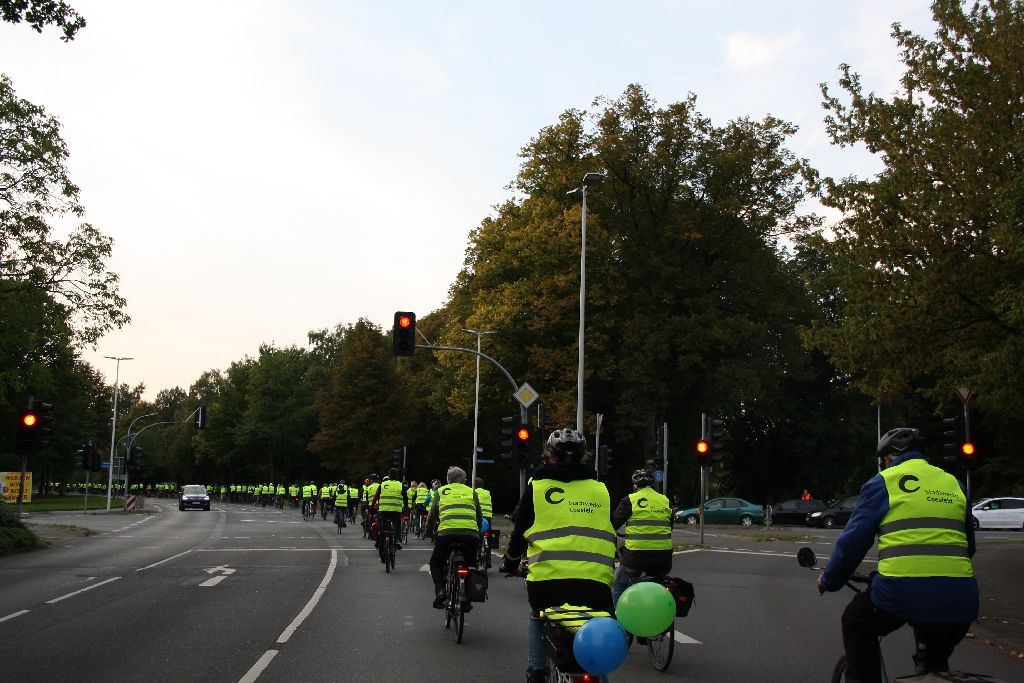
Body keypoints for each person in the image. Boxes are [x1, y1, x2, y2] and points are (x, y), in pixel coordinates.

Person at [818, 428, 978, 682]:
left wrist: (829, 580)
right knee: (935, 666)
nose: (883, 465)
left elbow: (852, 544)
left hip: (900, 592)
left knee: (856, 621)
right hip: (962, 598)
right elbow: (968, 547)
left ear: (891, 457)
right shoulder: (954, 484)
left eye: (883, 460)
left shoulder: (883, 482)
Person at [501, 428, 616, 683]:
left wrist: (510, 562)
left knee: (539, 616)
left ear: (549, 455)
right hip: (596, 582)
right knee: (596, 640)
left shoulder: (538, 486)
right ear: (584, 456)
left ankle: (537, 671)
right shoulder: (601, 489)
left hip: (547, 582)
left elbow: (520, 530)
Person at [611, 469, 673, 604]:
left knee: (618, 585)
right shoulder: (664, 500)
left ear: (635, 486)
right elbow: (670, 527)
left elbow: (613, 524)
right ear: (653, 485)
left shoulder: (630, 500)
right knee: (660, 585)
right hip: (663, 559)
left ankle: (616, 617)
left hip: (635, 557)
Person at [426, 467, 481, 609]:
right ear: (464, 480)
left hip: (447, 534)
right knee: (470, 564)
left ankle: (440, 591)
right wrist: (477, 532)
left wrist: (428, 531)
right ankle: (467, 596)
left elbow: (432, 515)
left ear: (448, 479)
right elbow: (479, 515)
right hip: (470, 535)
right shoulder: (471, 491)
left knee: (436, 563)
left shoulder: (441, 491)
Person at [374, 469, 407, 557]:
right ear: (396, 476)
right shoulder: (400, 485)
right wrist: (406, 509)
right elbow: (406, 498)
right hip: (396, 511)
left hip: (384, 511)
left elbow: (376, 497)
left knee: (382, 529)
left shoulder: (383, 484)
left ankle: (381, 546)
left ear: (388, 475)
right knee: (397, 526)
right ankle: (396, 540)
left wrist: (371, 507)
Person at [474, 477, 494, 567]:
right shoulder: (487, 493)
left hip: (478, 517)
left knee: (477, 538)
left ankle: (476, 557)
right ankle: (488, 561)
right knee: (488, 539)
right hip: (488, 518)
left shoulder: (473, 492)